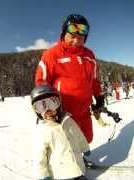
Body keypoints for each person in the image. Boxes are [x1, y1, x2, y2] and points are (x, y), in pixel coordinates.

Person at [34, 14, 103, 168]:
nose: (76, 41)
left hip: (84, 110)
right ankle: (71, 170)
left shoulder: (89, 55)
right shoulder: (51, 55)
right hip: (63, 112)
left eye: (81, 37)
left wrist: (98, 98)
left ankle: (78, 158)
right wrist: (46, 109)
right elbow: (41, 83)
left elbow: (94, 80)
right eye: (72, 36)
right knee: (65, 143)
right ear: (64, 33)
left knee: (85, 138)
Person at [31, 85, 90, 180]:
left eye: (52, 103)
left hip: (78, 168)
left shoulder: (68, 120)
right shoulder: (42, 131)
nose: (48, 110)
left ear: (58, 104)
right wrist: (43, 174)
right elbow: (39, 156)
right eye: (41, 106)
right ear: (37, 112)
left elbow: (79, 135)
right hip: (61, 174)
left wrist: (85, 147)